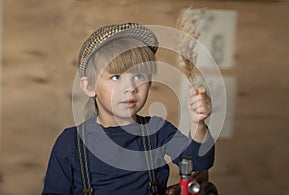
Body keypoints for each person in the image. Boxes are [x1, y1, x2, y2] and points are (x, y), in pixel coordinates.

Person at [42, 23, 215, 195]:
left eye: (139, 76)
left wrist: (198, 123)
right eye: (116, 77)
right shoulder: (70, 143)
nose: (130, 87)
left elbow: (198, 163)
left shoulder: (156, 131)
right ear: (89, 86)